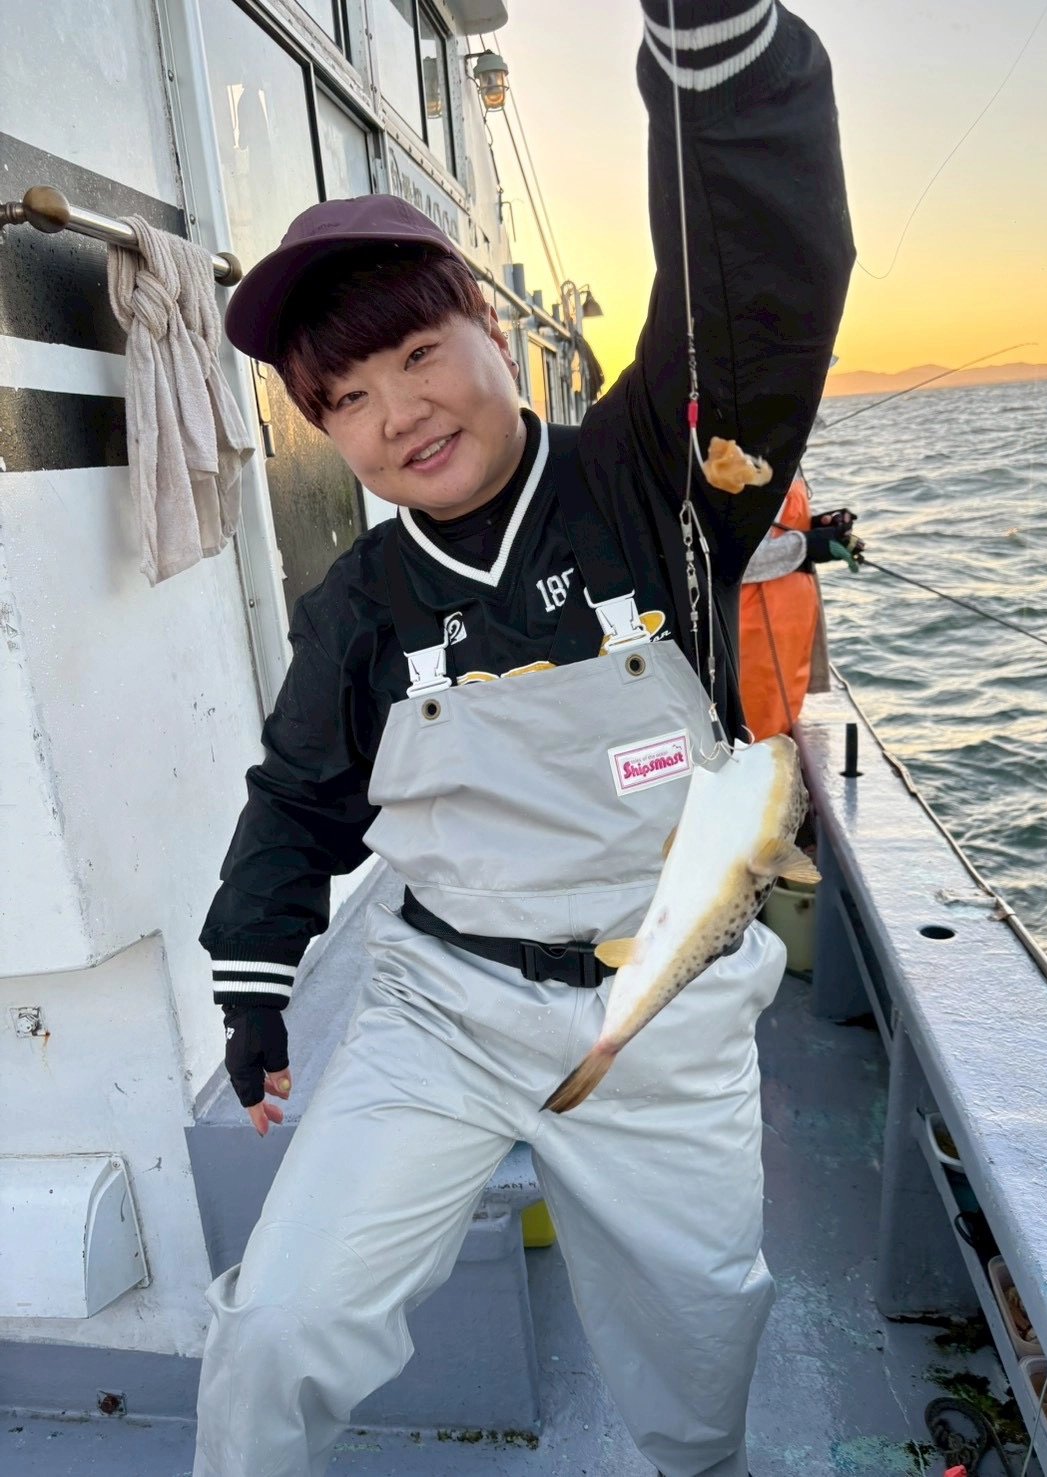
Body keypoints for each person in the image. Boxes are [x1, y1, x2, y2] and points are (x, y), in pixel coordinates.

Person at [193, 3, 852, 1474]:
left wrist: (712, 49)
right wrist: (254, 982)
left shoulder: (658, 477)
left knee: (699, 1353)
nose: (397, 414)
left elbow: (756, 282)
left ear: (492, 329)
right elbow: (297, 801)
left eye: (418, 353)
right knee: (277, 1327)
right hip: (443, 1006)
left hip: (668, 1005)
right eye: (346, 399)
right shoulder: (356, 607)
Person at [738, 474, 864, 739]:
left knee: (778, 726)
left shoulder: (784, 455)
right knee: (756, 737)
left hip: (787, 634)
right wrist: (806, 544)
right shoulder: (746, 461)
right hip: (757, 635)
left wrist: (815, 529)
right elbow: (733, 558)